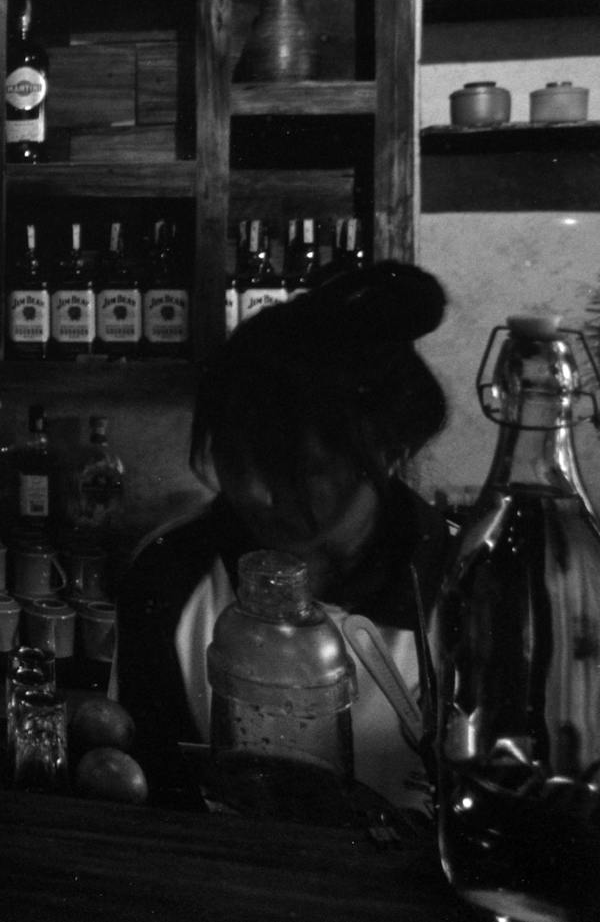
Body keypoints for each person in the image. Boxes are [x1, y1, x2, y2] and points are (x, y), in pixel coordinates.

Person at [116, 261, 451, 809]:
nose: (250, 490)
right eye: (229, 453)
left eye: (286, 464)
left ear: (390, 451)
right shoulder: (170, 578)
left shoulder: (468, 592)